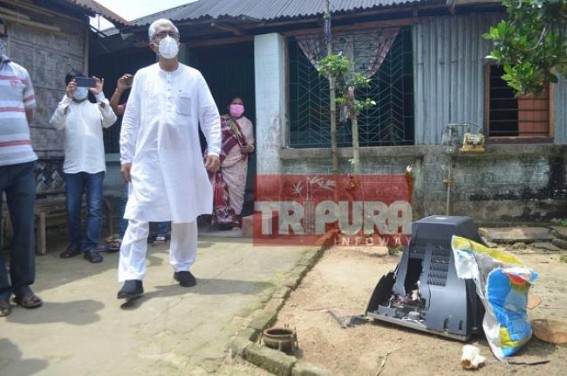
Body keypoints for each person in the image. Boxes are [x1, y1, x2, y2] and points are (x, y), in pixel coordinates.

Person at [117, 18, 221, 299]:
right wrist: (126, 156)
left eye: (171, 33)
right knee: (138, 215)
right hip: (147, 159)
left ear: (179, 40)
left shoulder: (194, 76)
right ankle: (132, 276)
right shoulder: (143, 76)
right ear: (152, 43)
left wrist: (214, 149)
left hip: (184, 159)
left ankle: (182, 266)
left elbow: (209, 115)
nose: (167, 37)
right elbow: (131, 119)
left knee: (185, 216)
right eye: (161, 34)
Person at [49, 70, 117, 263]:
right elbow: (55, 124)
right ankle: (75, 243)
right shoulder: (65, 107)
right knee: (72, 209)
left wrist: (99, 93)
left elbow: (111, 120)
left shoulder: (96, 107)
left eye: (81, 83)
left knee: (95, 209)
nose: (78, 88)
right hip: (73, 167)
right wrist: (66, 98)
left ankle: (91, 247)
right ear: (68, 86)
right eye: (73, 84)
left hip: (95, 166)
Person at [0, 17, 42, 317]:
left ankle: (22, 287)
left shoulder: (20, 72)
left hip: (22, 162)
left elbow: (28, 113)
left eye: (1, 34)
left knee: (24, 227)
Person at [107, 74, 170, 250]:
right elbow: (114, 109)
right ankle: (125, 234)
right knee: (129, 197)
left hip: (159, 155)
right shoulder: (133, 105)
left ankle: (162, 232)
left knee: (161, 193)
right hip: (136, 158)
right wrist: (120, 89)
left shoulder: (159, 103)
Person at [210, 97, 255, 230]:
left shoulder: (247, 124)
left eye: (240, 104)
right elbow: (213, 140)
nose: (237, 106)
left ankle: (234, 221)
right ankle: (222, 222)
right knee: (219, 189)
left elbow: (251, 144)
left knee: (237, 192)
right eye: (234, 103)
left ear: (244, 107)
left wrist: (250, 148)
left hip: (239, 163)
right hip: (221, 162)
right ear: (228, 106)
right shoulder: (220, 122)